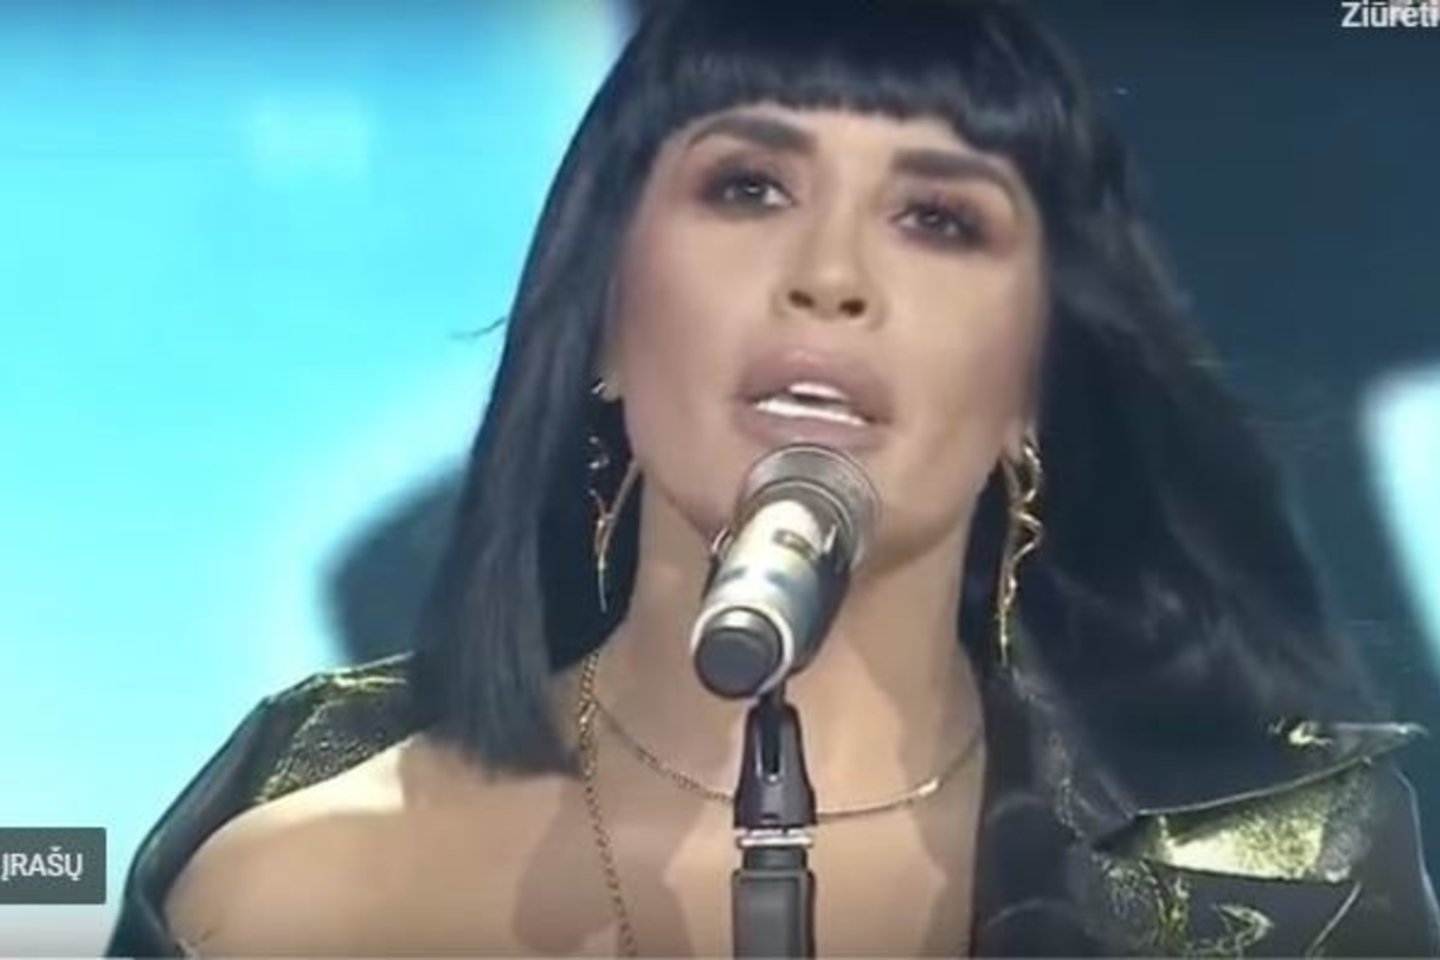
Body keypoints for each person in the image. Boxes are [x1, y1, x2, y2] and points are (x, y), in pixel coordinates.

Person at [107, 0, 1440, 955]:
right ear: (605, 314)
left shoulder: (1272, 895)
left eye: (938, 217)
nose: (831, 275)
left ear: (1033, 386)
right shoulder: (294, 887)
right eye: (748, 188)